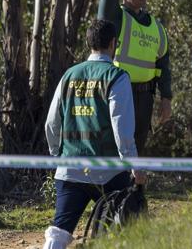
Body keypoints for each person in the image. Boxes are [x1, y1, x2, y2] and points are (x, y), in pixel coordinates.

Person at [42, 20, 146, 249]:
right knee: (120, 227)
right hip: (108, 171)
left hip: (70, 168)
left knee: (59, 231)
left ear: (89, 44)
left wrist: (56, 156)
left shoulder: (69, 74)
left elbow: (51, 123)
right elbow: (122, 127)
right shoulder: (117, 76)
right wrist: (134, 165)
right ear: (113, 43)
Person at [97, 0, 172, 156]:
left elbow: (163, 66)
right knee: (115, 146)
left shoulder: (157, 27)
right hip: (120, 93)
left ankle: (135, 190)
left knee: (138, 147)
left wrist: (166, 98)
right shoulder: (115, 17)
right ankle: (113, 190)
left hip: (145, 97)